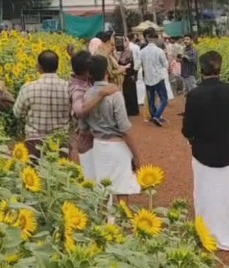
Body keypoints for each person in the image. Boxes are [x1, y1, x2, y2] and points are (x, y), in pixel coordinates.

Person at [182, 50, 229, 251]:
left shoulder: (194, 95)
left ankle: (207, 237)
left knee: (205, 196)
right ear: (221, 67)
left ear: (200, 69)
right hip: (228, 152)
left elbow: (187, 130)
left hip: (202, 154)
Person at [81, 55, 141, 201]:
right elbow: (125, 129)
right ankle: (122, 220)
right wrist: (136, 155)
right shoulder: (115, 94)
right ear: (107, 71)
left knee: (102, 189)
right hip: (117, 146)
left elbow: (84, 125)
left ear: (89, 73)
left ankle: (105, 221)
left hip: (99, 145)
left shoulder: (88, 94)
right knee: (122, 188)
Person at [12, 50, 72, 162]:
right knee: (57, 175)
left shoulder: (28, 87)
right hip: (59, 142)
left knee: (34, 175)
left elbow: (17, 113)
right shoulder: (68, 88)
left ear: (39, 67)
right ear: (57, 66)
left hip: (34, 142)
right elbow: (75, 114)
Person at [68, 50, 120, 180]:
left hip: (98, 138)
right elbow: (79, 110)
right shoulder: (77, 89)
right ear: (87, 71)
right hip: (87, 140)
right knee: (92, 179)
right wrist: (101, 94)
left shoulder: (86, 81)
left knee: (105, 177)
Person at [139, 28, 170, 126]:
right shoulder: (159, 51)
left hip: (148, 78)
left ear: (147, 38)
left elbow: (138, 65)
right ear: (156, 39)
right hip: (158, 78)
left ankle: (155, 116)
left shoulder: (142, 51)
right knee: (164, 99)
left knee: (151, 99)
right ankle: (157, 116)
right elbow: (165, 65)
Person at [120, 32, 142, 116]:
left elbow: (125, 62)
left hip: (130, 72)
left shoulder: (128, 51)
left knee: (130, 92)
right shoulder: (124, 51)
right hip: (130, 72)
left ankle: (131, 110)